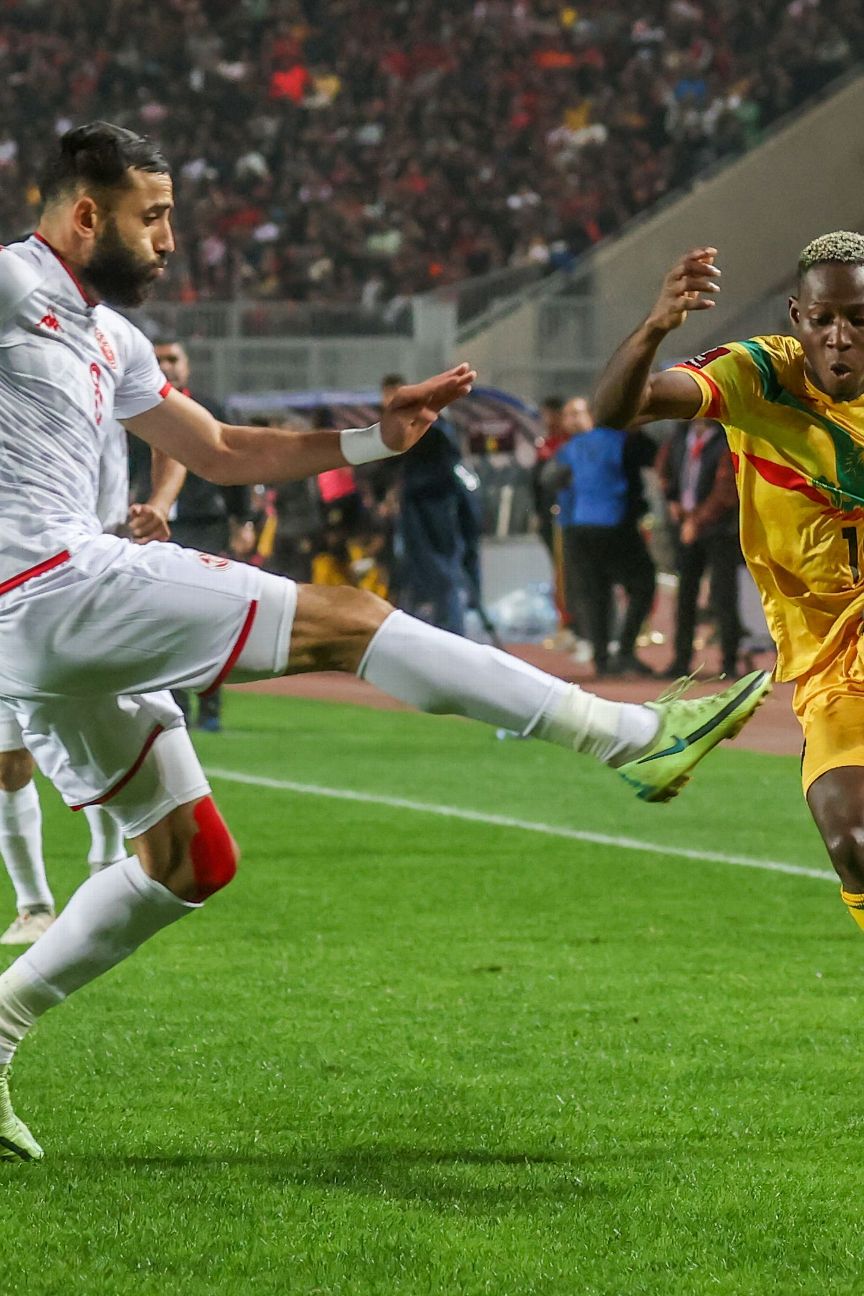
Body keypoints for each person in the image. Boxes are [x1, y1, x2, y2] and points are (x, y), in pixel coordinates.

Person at [0, 123, 770, 1162]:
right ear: (85, 214)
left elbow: (221, 449)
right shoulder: (9, 285)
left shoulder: (113, 338)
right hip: (49, 587)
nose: (172, 240)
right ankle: (629, 735)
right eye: (155, 218)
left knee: (190, 859)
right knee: (348, 620)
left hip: (55, 619)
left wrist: (376, 434)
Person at [593, 230, 864, 935]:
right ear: (797, 317)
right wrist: (656, 326)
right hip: (832, 665)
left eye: (859, 320)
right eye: (825, 319)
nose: (840, 338)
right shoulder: (760, 377)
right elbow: (618, 410)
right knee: (855, 845)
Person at [0, 419, 186, 945]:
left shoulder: (99, 364)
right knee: (8, 763)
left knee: (113, 732)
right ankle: (34, 907)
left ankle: (106, 867)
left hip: (100, 572)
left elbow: (176, 435)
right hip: (12, 585)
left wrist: (161, 504)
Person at [153, 338, 255, 732]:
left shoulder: (210, 409)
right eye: (159, 359)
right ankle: (174, 709)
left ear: (188, 366)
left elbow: (233, 464)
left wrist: (241, 519)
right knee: (165, 623)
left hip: (203, 522)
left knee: (208, 619)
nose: (167, 366)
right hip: (156, 527)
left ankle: (210, 710)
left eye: (173, 359)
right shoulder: (131, 409)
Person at [554, 397, 656, 677]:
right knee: (643, 584)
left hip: (578, 526)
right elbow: (650, 456)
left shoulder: (570, 448)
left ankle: (601, 659)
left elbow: (552, 481)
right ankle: (625, 650)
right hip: (615, 523)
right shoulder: (621, 440)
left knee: (595, 593)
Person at [382, 373, 483, 636]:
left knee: (443, 575)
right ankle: (431, 634)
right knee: (421, 576)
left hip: (436, 511)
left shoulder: (432, 427)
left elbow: (444, 471)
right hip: (418, 509)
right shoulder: (401, 428)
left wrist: (408, 488)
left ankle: (451, 634)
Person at [656, 418, 742, 679]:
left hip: (720, 530)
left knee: (723, 596)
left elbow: (727, 488)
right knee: (685, 597)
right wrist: (671, 499)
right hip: (685, 528)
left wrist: (697, 520)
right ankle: (681, 661)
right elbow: (664, 468)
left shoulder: (728, 436)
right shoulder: (681, 435)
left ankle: (729, 662)